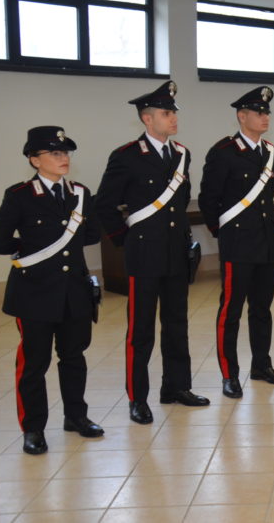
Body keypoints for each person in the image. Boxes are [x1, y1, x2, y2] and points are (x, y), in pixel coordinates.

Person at [95, 80, 209, 424]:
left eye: (174, 112)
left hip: (175, 253)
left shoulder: (181, 154)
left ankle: (176, 387)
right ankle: (137, 397)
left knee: (177, 324)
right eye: (165, 113)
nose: (173, 118)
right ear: (147, 118)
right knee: (140, 330)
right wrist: (127, 241)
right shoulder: (126, 156)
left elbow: (178, 202)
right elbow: (104, 205)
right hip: (144, 254)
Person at [0, 127, 104, 454]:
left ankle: (76, 417)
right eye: (55, 153)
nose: (63, 158)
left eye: (65, 152)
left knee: (74, 357)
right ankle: (33, 428)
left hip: (74, 292)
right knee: (34, 364)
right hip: (34, 294)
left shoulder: (80, 193)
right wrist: (28, 249)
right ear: (34, 159)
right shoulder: (20, 195)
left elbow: (92, 234)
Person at [198, 86, 274, 398]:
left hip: (267, 243)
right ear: (242, 116)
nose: (265, 117)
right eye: (258, 112)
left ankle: (262, 365)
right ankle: (229, 373)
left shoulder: (271, 152)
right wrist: (224, 234)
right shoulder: (223, 151)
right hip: (238, 243)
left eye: (267, 112)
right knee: (231, 311)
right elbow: (208, 199)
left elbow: (266, 199)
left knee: (262, 309)